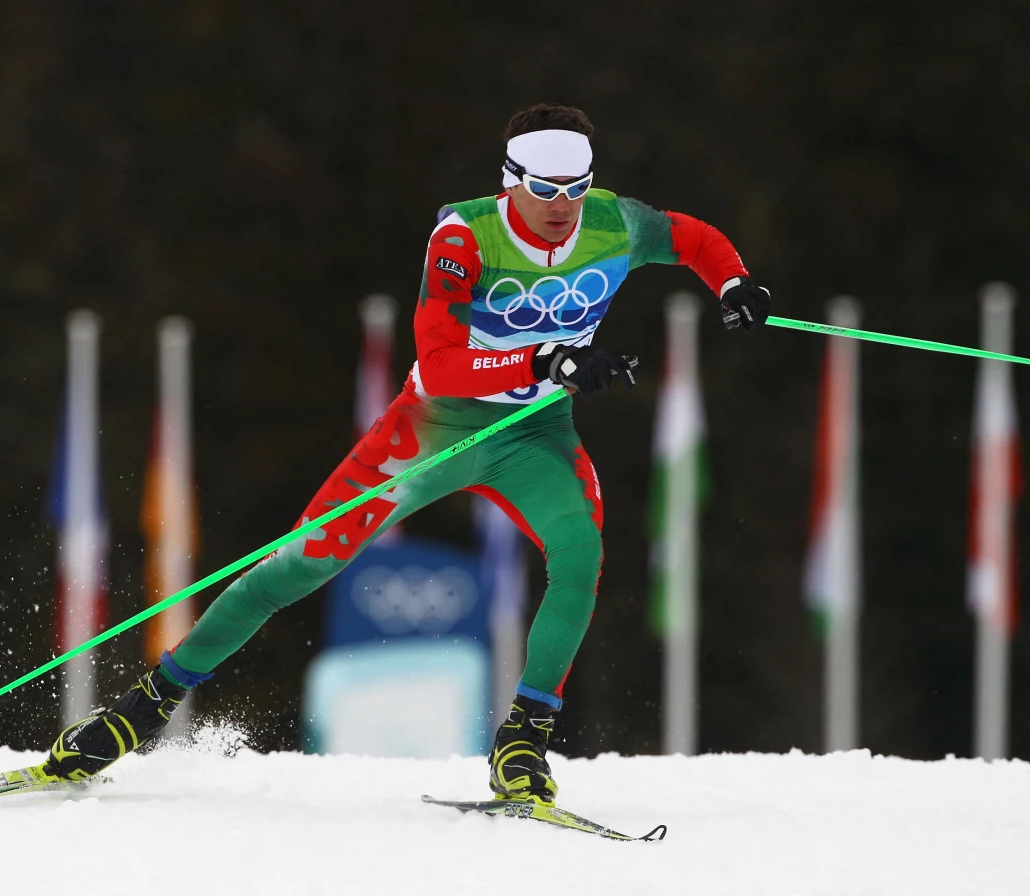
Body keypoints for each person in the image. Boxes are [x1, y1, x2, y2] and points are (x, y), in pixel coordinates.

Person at [41, 103, 771, 804]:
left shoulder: (613, 222)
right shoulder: (463, 237)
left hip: (534, 436)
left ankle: (523, 741)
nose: (562, 205)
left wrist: (733, 282)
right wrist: (546, 362)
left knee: (580, 557)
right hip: (436, 430)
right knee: (302, 564)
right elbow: (442, 361)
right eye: (546, 189)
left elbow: (694, 239)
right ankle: (144, 707)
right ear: (511, 180)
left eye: (575, 189)